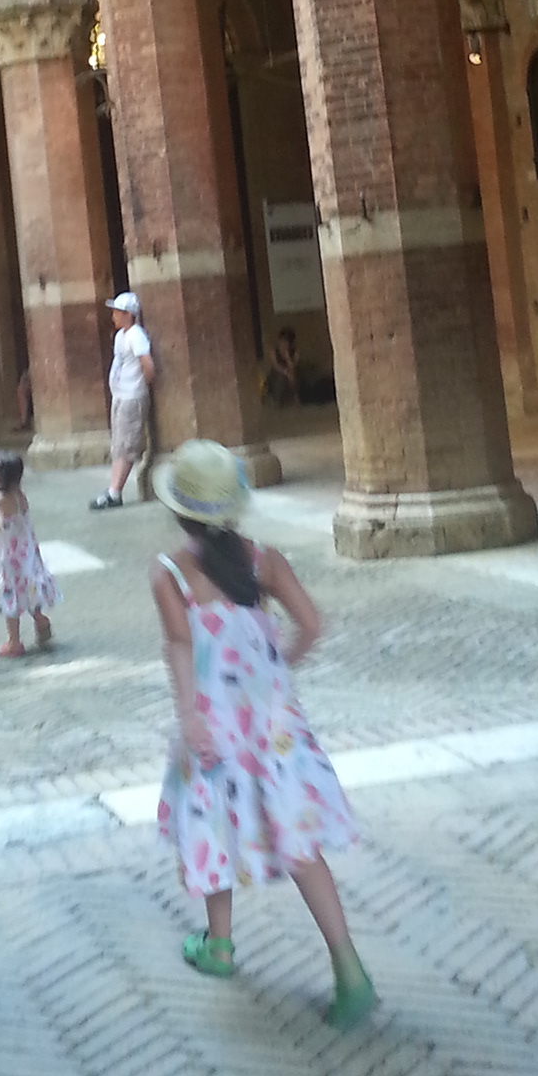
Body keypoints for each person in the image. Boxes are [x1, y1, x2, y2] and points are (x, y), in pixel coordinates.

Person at [150, 439, 374, 1027]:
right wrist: (276, 670)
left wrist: (191, 715)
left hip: (213, 726)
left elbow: (178, 645)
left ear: (180, 512)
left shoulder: (170, 573)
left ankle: (219, 945)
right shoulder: (265, 562)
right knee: (300, 842)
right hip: (274, 727)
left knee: (209, 832)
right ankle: (349, 969)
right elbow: (311, 624)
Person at [0, 448, 60, 657]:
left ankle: (14, 641)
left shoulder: (3, 498)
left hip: (9, 558)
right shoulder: (19, 495)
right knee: (27, 589)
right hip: (25, 554)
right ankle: (40, 620)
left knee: (11, 594)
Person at [90, 289, 153, 510]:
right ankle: (112, 489)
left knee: (126, 445)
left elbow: (147, 364)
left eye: (117, 311)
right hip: (120, 396)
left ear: (128, 313)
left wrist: (141, 385)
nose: (113, 316)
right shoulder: (121, 336)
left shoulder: (136, 334)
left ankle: (115, 492)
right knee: (118, 444)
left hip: (131, 397)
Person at [261, 327, 300, 407]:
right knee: (280, 378)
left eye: (286, 342)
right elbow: (275, 365)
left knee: (293, 377)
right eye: (281, 341)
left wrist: (287, 357)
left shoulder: (294, 352)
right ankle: (277, 401)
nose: (283, 344)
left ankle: (295, 398)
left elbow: (293, 367)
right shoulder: (274, 351)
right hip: (277, 374)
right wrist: (285, 372)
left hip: (290, 374)